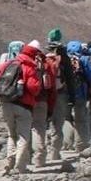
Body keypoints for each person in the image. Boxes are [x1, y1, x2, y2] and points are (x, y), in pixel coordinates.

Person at [0, 40, 42, 175]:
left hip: (6, 103)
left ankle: (9, 162)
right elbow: (34, 88)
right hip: (23, 105)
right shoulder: (29, 66)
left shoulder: (8, 63)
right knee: (23, 136)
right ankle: (20, 167)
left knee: (11, 134)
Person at [26, 40, 54, 169]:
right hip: (42, 100)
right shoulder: (46, 64)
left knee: (26, 129)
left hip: (27, 100)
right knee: (39, 128)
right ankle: (40, 158)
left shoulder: (24, 62)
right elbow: (52, 87)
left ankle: (26, 158)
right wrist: (51, 105)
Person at [66, 41, 91, 148]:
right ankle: (80, 145)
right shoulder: (84, 59)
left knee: (66, 119)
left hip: (65, 95)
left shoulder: (63, 59)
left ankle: (67, 143)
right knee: (81, 120)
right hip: (80, 93)